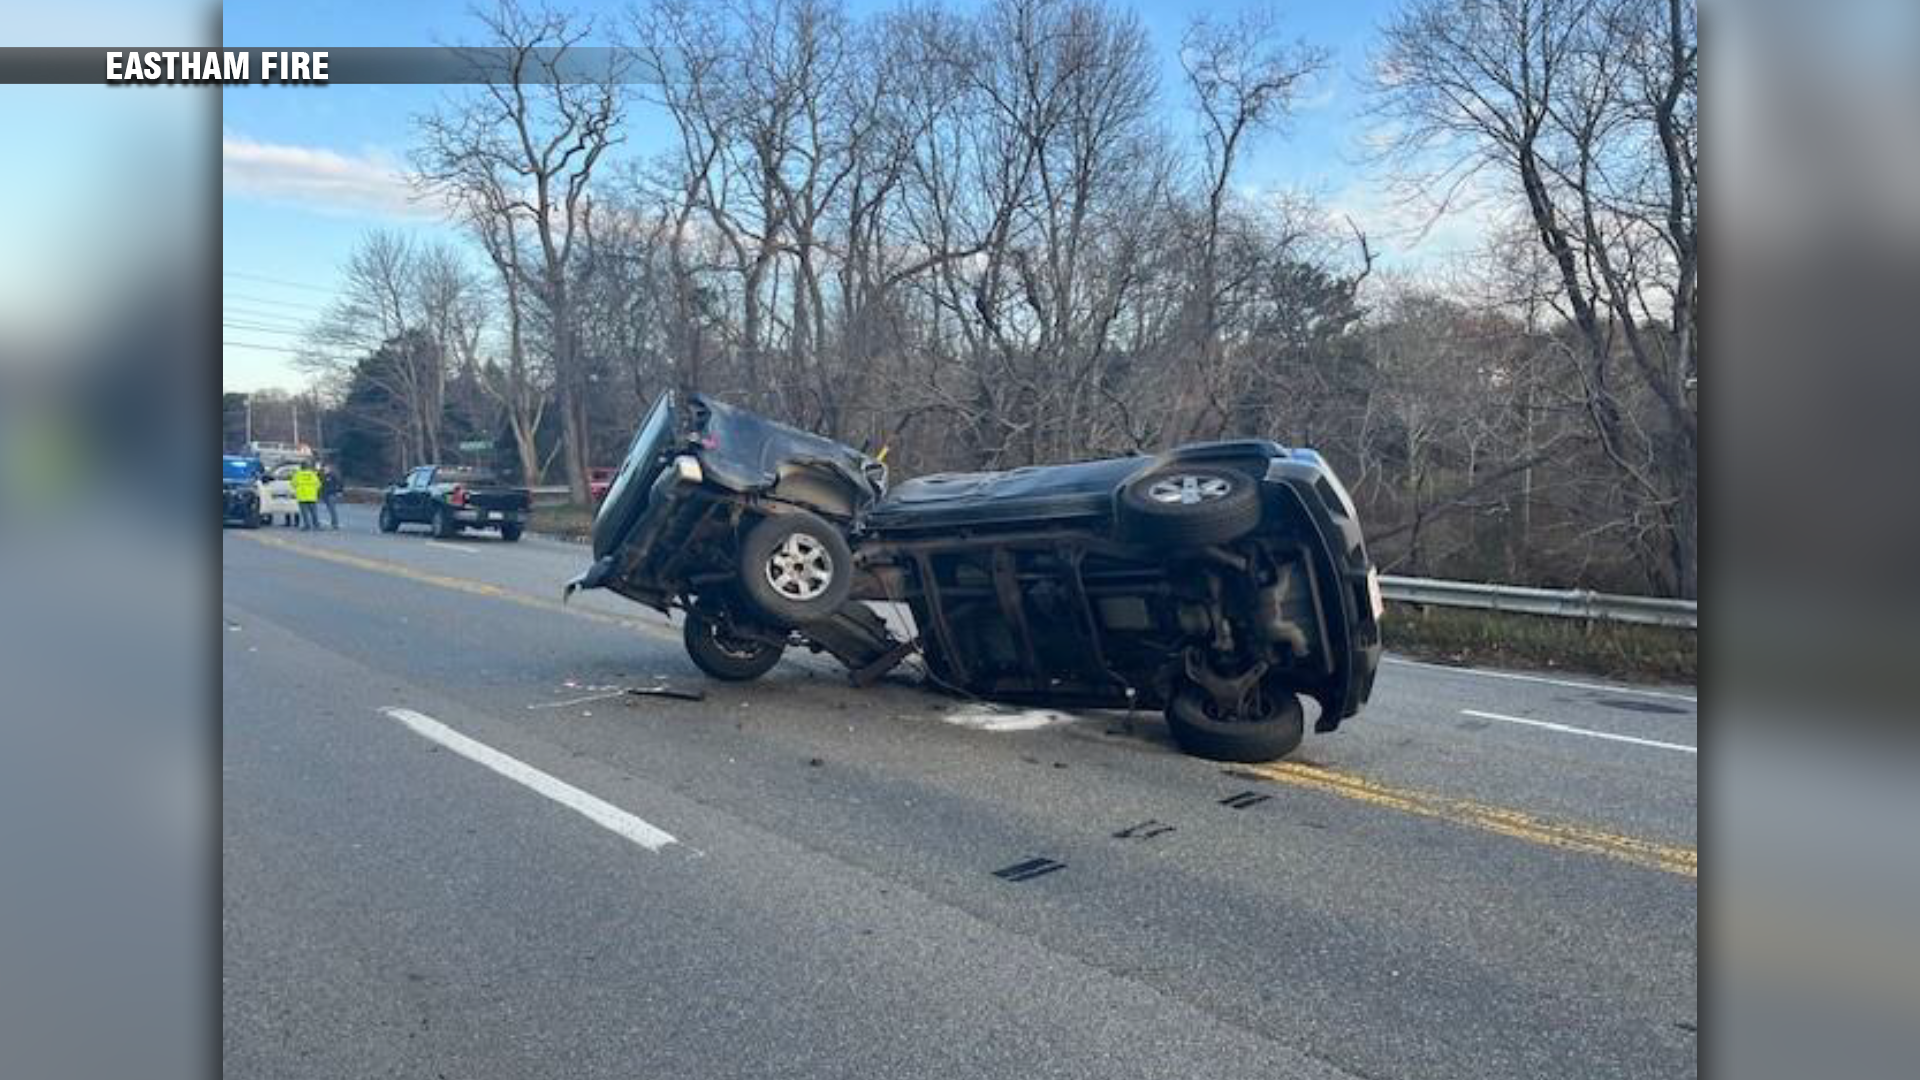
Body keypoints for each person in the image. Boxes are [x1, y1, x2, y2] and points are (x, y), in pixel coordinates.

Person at [291, 462, 322, 531]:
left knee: (304, 513)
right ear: (308, 467)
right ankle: (316, 525)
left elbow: (293, 484)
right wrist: (313, 490)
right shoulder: (312, 474)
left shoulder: (297, 475)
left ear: (301, 467)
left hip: (302, 497)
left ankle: (307, 526)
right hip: (312, 496)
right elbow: (318, 484)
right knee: (314, 512)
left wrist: (299, 488)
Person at [320, 465, 343, 530]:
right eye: (324, 469)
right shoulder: (323, 476)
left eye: (326, 469)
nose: (325, 470)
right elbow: (322, 485)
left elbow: (340, 483)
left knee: (332, 509)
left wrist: (340, 491)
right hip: (325, 495)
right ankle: (333, 523)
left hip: (332, 494)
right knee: (330, 509)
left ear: (329, 469)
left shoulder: (333, 475)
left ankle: (335, 524)